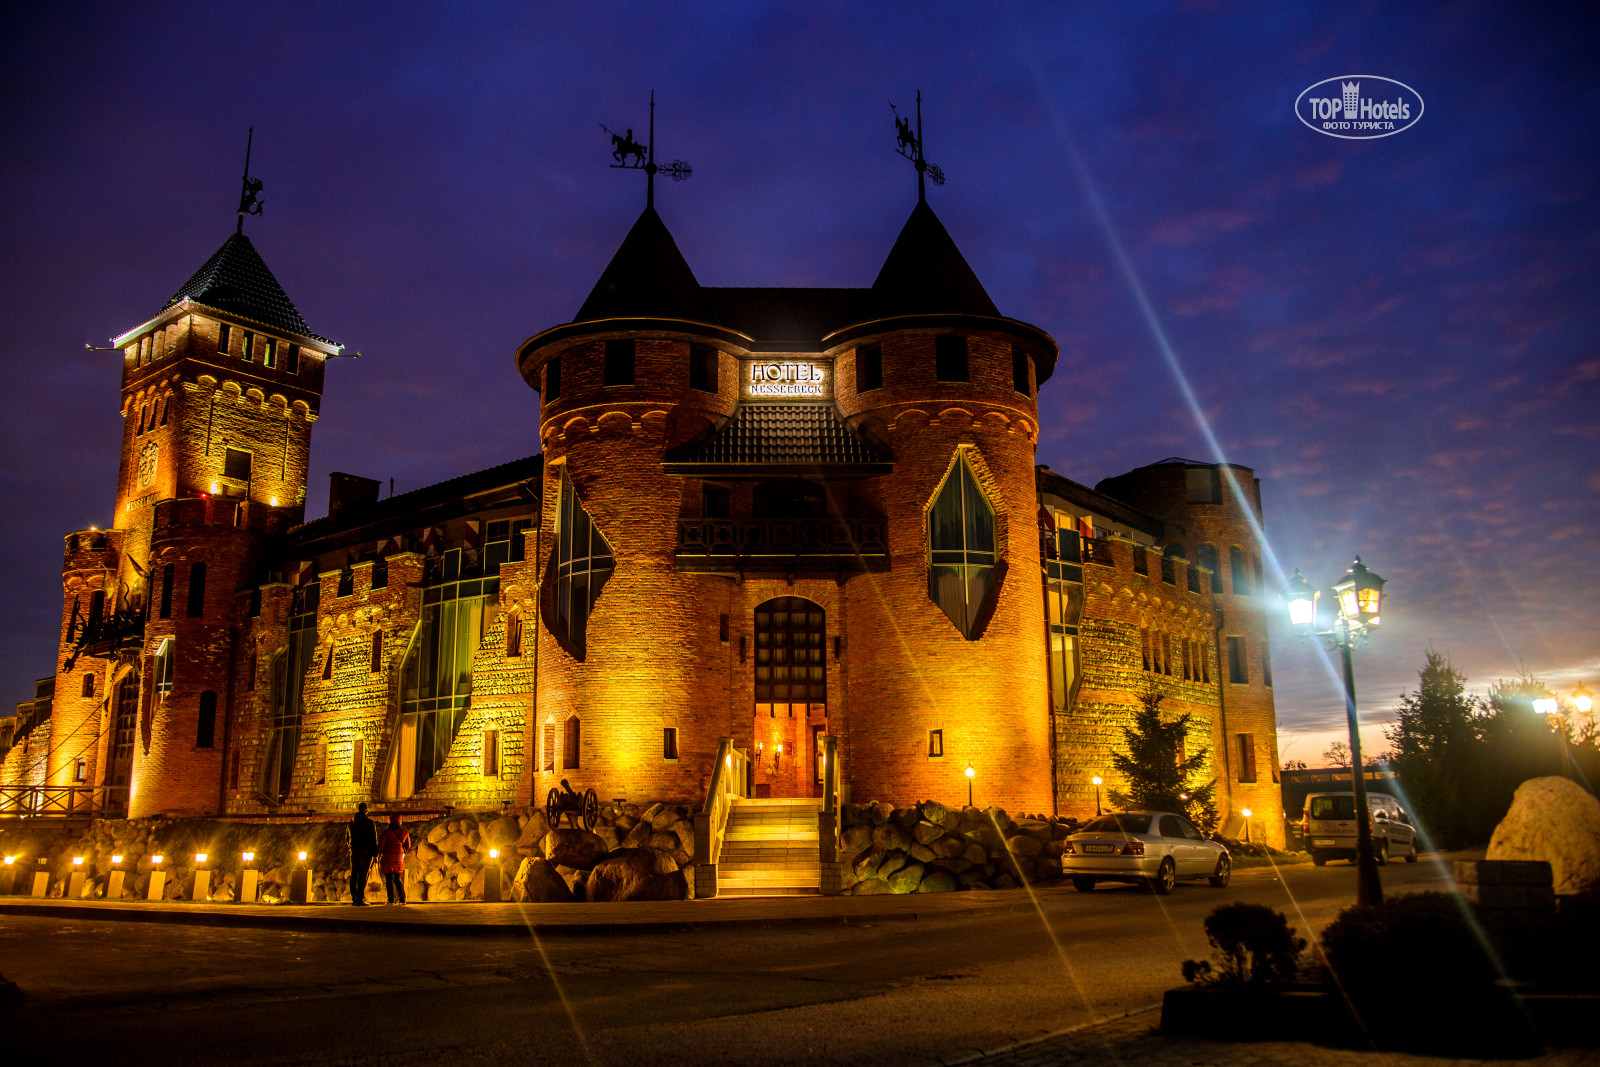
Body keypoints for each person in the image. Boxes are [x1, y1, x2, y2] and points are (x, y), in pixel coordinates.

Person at [348, 802, 378, 906]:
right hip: (365, 851)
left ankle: (354, 898)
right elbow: (373, 839)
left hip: (355, 851)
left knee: (354, 875)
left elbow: (347, 838)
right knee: (362, 875)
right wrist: (375, 854)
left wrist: (351, 847)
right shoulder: (369, 823)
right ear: (366, 811)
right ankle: (360, 898)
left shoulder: (351, 823)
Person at [377, 813, 411, 905]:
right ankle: (402, 899)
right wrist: (403, 852)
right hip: (398, 858)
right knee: (397, 879)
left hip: (387, 858)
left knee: (389, 880)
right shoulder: (404, 832)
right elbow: (408, 846)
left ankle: (391, 900)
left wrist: (378, 854)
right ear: (399, 822)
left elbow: (381, 846)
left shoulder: (386, 833)